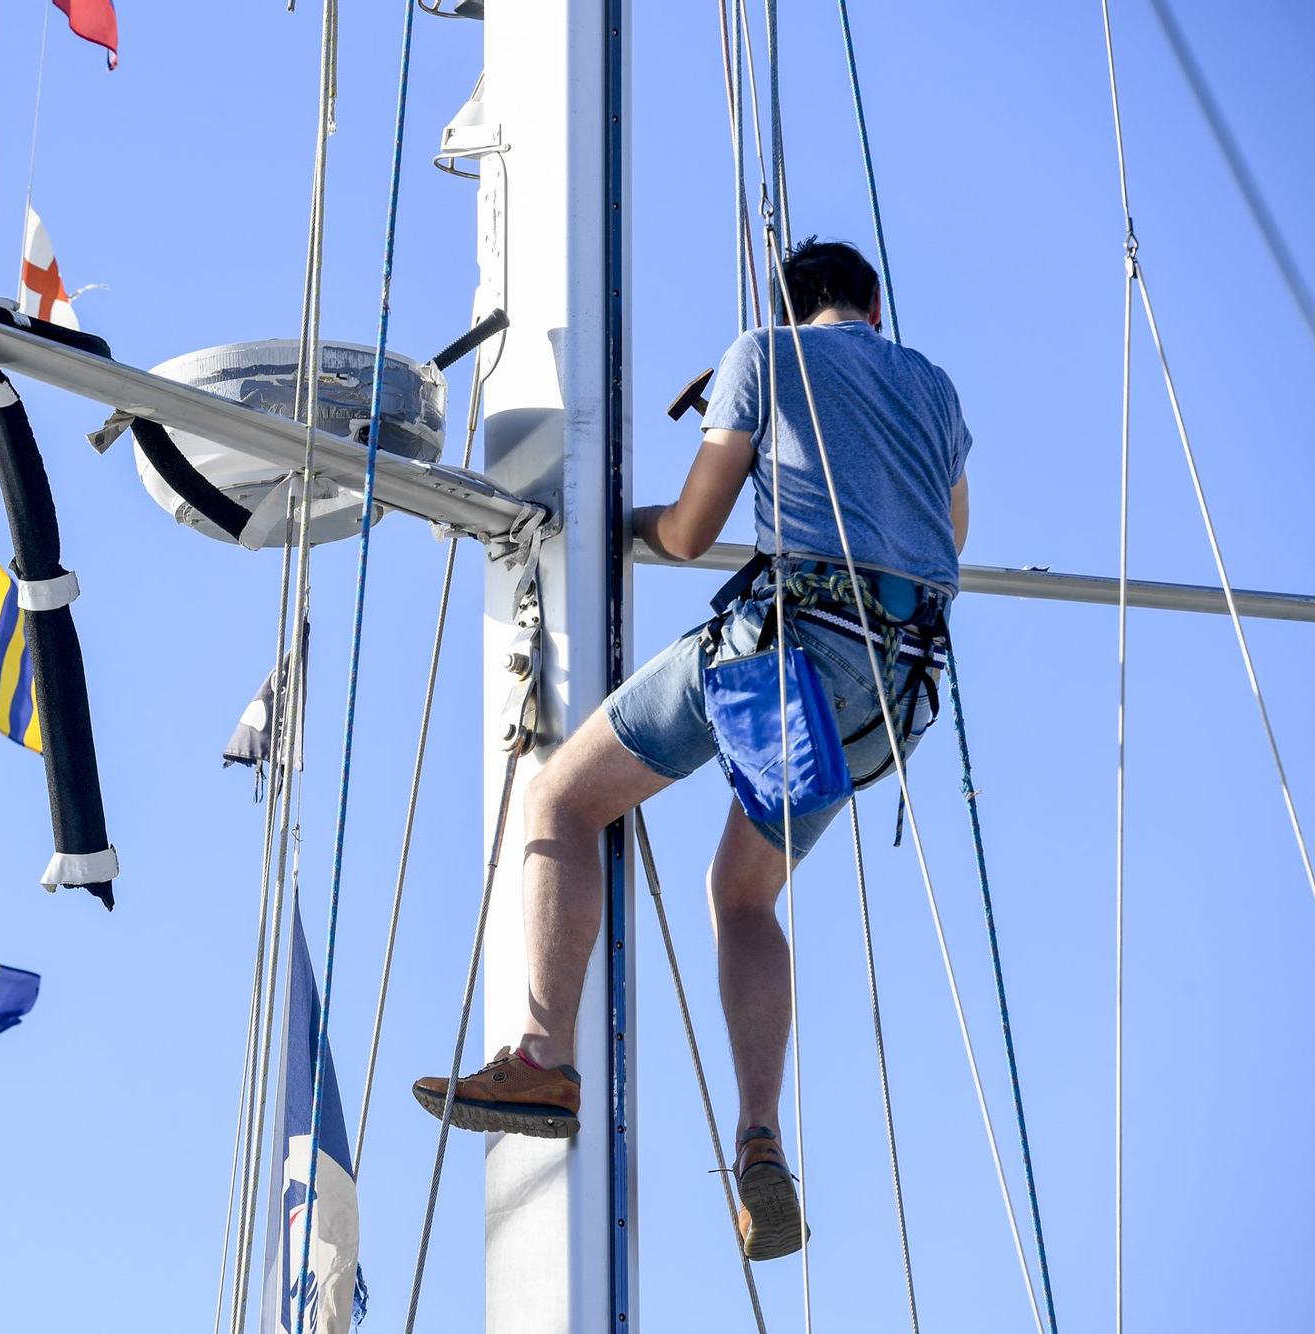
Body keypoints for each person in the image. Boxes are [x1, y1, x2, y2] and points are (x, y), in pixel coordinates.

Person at [411, 237, 972, 1262]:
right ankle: (759, 1132)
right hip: (893, 690)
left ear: (789, 302)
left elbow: (690, 528)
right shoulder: (932, 390)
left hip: (783, 652)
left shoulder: (762, 354)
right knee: (742, 893)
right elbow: (950, 532)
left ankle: (541, 1055)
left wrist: (620, 527)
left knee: (561, 801)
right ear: (873, 305)